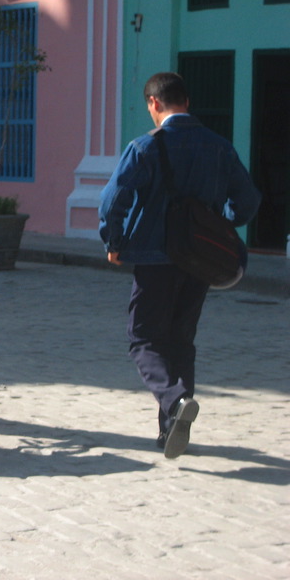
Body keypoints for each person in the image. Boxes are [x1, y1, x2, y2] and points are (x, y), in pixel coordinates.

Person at [98, 72, 261, 459]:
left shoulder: (145, 147)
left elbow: (112, 201)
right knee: (180, 340)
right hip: (200, 259)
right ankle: (171, 428)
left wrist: (114, 243)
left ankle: (175, 401)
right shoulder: (219, 147)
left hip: (154, 257)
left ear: (154, 104)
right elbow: (248, 201)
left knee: (144, 340)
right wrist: (221, 221)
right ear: (186, 102)